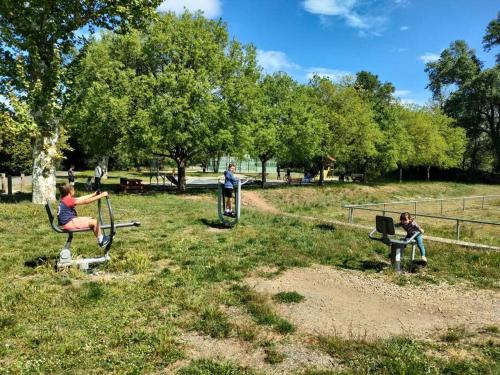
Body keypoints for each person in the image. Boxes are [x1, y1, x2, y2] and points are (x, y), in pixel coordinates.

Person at [58, 183, 110, 247]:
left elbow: (81, 198)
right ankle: (101, 241)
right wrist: (101, 195)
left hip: (67, 222)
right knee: (94, 222)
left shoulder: (65, 198)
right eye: (74, 189)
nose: (74, 191)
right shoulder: (68, 200)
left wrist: (94, 194)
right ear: (70, 191)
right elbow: (86, 201)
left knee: (92, 219)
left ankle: (101, 238)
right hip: (68, 223)